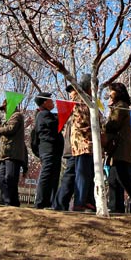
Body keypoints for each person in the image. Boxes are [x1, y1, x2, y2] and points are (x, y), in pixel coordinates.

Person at [103, 82, 131, 213]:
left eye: (111, 91)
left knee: (122, 177)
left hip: (120, 147)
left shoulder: (122, 106)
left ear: (117, 92)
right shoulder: (117, 106)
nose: (109, 94)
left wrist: (102, 126)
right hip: (116, 148)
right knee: (113, 177)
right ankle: (115, 206)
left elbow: (113, 124)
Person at [54, 75, 93, 211]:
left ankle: (83, 200)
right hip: (81, 144)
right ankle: (77, 202)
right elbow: (82, 123)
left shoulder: (85, 102)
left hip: (79, 144)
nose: (71, 95)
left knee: (82, 174)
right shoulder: (81, 102)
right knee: (79, 174)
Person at [31, 92, 63, 209]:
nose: (52, 101)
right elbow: (54, 124)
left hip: (53, 150)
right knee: (46, 175)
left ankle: (50, 202)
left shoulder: (47, 114)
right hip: (48, 149)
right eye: (50, 100)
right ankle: (40, 202)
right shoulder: (43, 115)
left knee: (54, 176)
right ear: (45, 102)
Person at [0, 99, 27, 207]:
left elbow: (10, 129)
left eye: (5, 108)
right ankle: (9, 199)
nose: (4, 111)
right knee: (0, 176)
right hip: (5, 153)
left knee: (10, 177)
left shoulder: (17, 116)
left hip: (12, 153)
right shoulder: (9, 117)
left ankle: (9, 201)